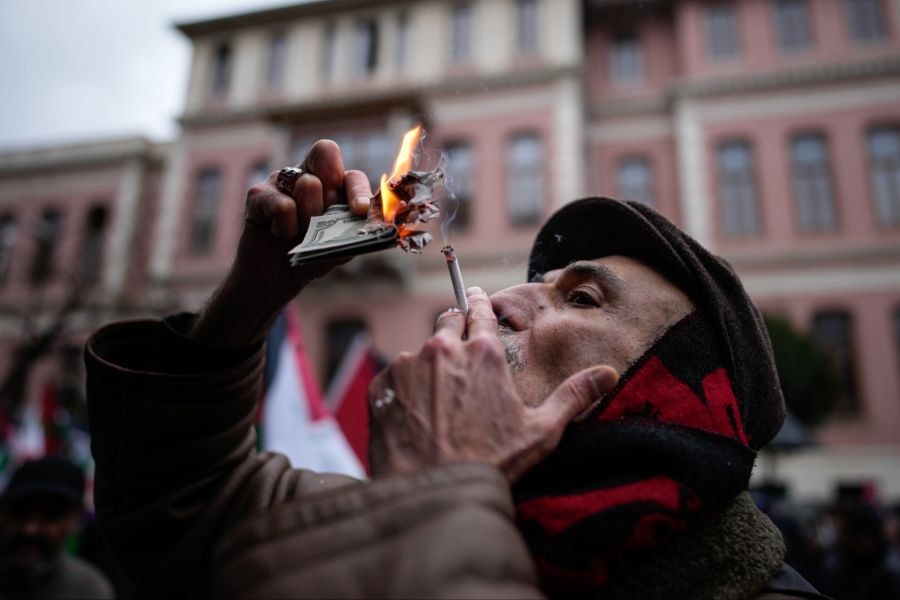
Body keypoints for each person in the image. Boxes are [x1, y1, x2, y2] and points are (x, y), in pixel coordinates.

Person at [85, 140, 827, 599]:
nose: (500, 300)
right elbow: (175, 508)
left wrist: (441, 484)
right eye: (531, 282)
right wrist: (249, 300)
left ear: (677, 395)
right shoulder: (378, 514)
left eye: (584, 296)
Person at [0, 455, 114, 599]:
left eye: (50, 516)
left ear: (75, 522)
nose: (29, 529)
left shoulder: (90, 590)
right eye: (21, 512)